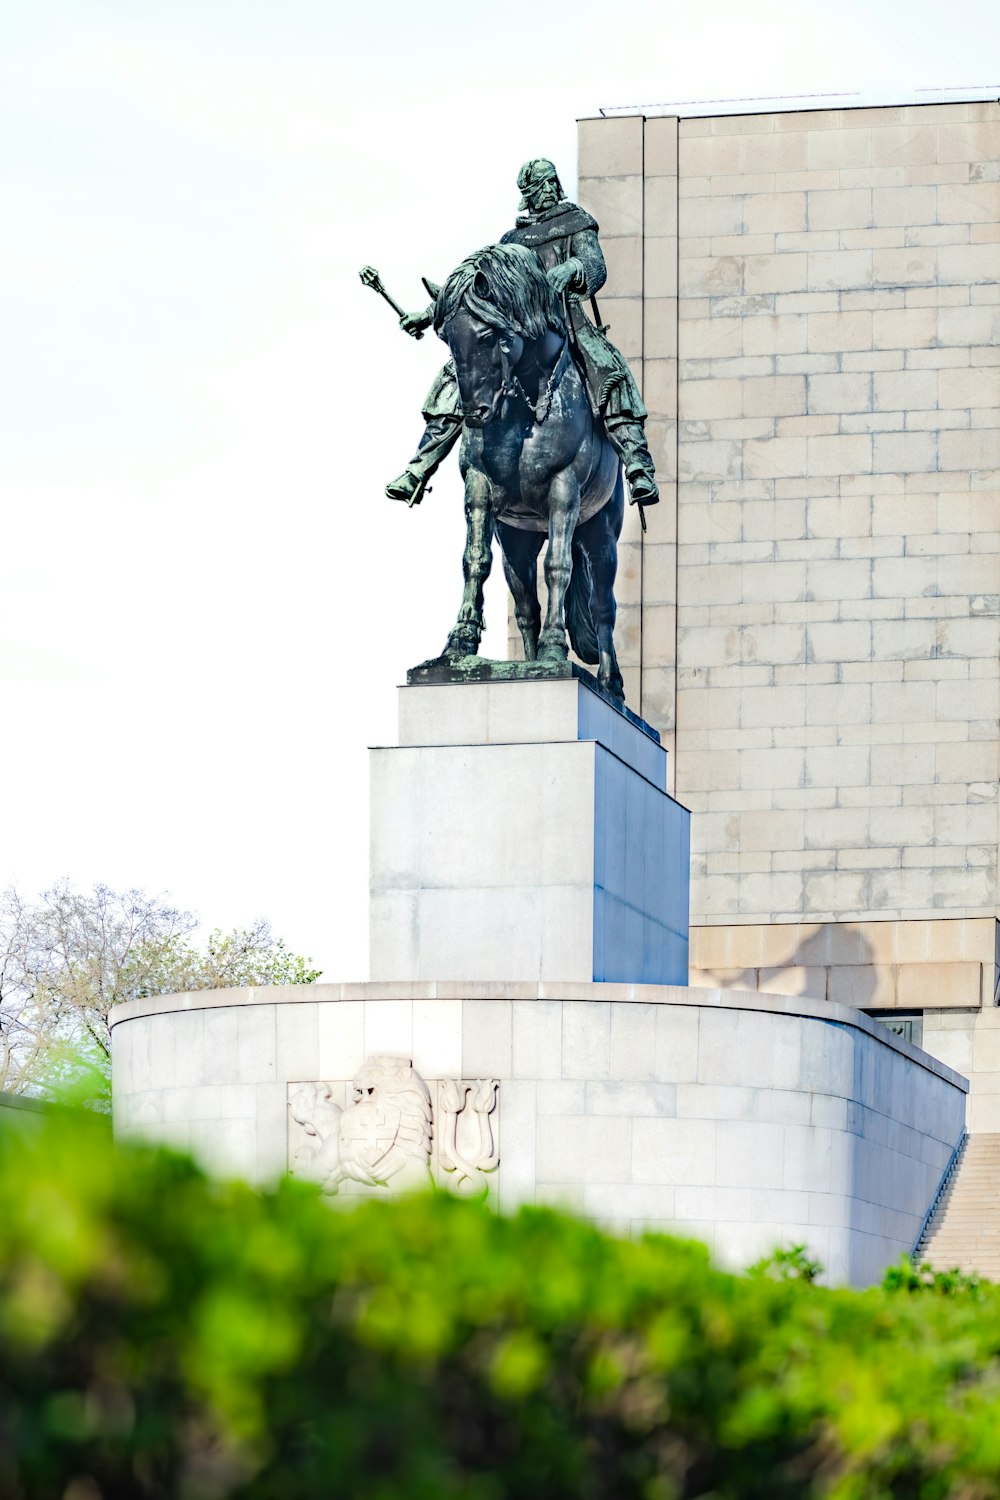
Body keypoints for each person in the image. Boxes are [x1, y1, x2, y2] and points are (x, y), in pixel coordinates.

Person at [385, 158, 659, 511]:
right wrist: (427, 315)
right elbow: (475, 292)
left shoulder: (575, 222)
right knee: (461, 372)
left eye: (548, 185)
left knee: (609, 368)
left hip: (565, 321)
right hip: (514, 332)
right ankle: (420, 466)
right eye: (535, 189)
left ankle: (638, 465)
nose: (544, 193)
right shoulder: (513, 240)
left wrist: (573, 267)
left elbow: (595, 265)